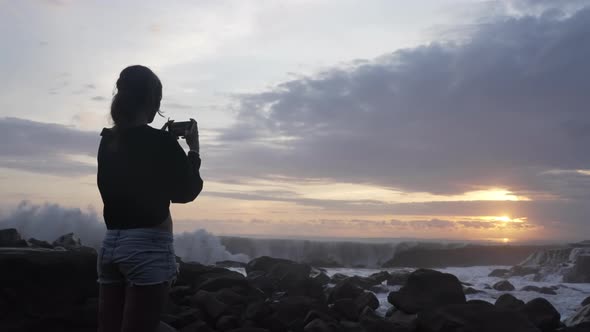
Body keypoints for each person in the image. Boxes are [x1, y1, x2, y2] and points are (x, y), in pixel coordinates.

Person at [96, 65, 203, 332]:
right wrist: (193, 151)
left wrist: (163, 144)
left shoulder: (108, 140)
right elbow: (186, 191)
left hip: (111, 245)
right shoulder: (161, 143)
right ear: (152, 101)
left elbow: (128, 183)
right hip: (147, 247)